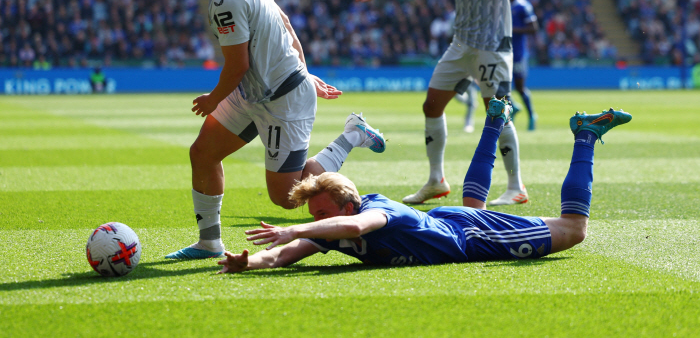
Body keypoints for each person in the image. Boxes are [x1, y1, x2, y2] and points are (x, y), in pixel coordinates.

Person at [165, 0, 386, 260]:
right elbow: (283, 21)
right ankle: (209, 243)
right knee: (203, 153)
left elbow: (237, 66)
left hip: (282, 100)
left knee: (286, 197)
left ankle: (353, 135)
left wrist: (213, 99)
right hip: (257, 91)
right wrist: (303, 68)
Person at [218, 98, 632, 272]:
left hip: (467, 236)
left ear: (347, 206)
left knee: (574, 230)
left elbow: (355, 229)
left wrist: (295, 227)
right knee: (475, 205)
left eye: (320, 214)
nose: (315, 221)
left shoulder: (373, 213)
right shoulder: (331, 227)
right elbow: (282, 256)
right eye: (313, 217)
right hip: (445, 223)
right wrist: (248, 262)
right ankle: (494, 124)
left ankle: (585, 136)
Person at [354, 0, 529, 206]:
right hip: (461, 45)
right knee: (432, 106)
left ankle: (516, 186)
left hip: (492, 45)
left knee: (498, 112)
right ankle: (436, 180)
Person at [508, 0, 538, 131]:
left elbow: (533, 28)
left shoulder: (523, 6)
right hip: (504, 52)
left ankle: (532, 115)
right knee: (500, 85)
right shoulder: (505, 6)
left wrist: (512, 30)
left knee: (520, 87)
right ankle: (513, 107)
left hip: (518, 53)